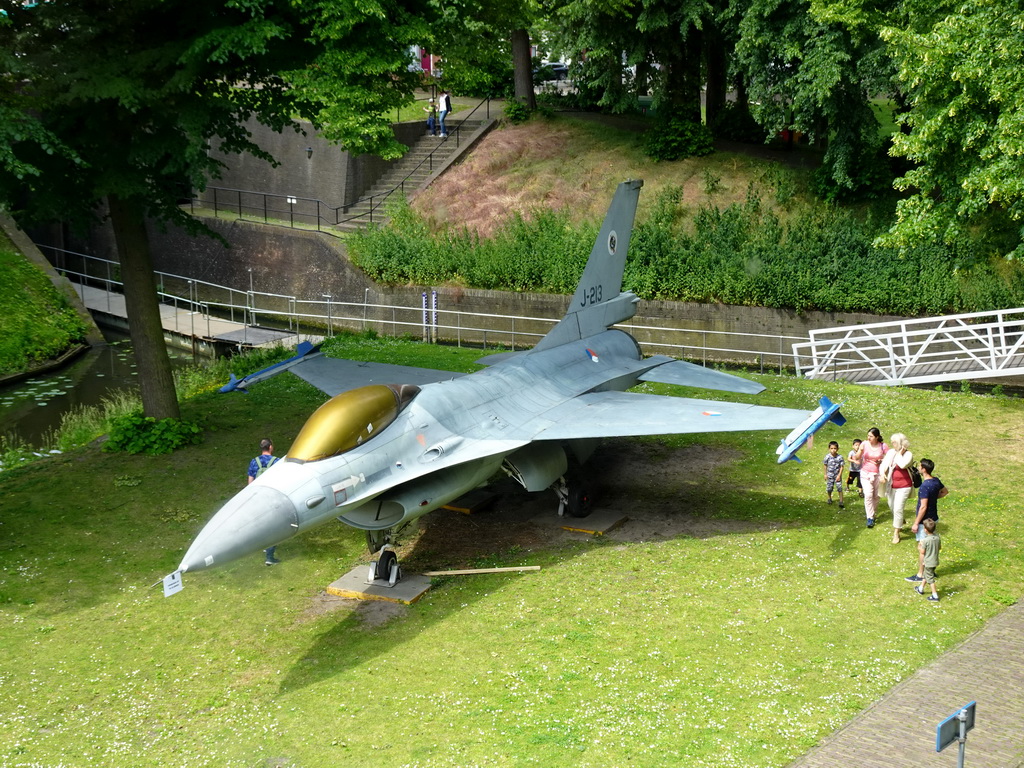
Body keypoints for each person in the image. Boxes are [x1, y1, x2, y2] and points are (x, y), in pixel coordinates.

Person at [906, 458, 948, 585]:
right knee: (931, 547)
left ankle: (920, 574)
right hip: (934, 518)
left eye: (920, 467)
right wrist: (934, 498)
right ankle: (931, 571)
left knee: (923, 548)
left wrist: (915, 523)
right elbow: (945, 491)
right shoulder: (936, 481)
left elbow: (923, 507)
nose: (918, 468)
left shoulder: (924, 486)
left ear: (924, 469)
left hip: (924, 521)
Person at [247, 438, 281, 565]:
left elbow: (250, 482)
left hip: (257, 498)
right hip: (272, 498)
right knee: (274, 527)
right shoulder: (277, 462)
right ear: (271, 447)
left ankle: (263, 545)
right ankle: (270, 557)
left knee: (261, 523)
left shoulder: (254, 462)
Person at [880, 432, 914, 544]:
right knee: (891, 506)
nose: (892, 444)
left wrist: (900, 453)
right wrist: (882, 474)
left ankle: (896, 533)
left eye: (894, 442)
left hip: (905, 486)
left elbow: (903, 464)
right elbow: (884, 464)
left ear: (900, 443)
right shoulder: (890, 452)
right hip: (891, 485)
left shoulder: (908, 455)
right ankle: (900, 519)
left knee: (898, 508)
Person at [853, 428, 888, 528]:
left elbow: (890, 456)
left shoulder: (883, 446)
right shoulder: (864, 444)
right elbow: (857, 457)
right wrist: (860, 449)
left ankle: (873, 514)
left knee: (876, 496)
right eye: (868, 435)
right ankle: (870, 518)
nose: (868, 438)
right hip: (865, 473)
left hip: (878, 474)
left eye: (871, 436)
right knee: (868, 494)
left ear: (877, 437)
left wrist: (881, 460)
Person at [912, 518, 941, 602]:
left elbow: (922, 551)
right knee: (927, 575)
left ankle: (935, 595)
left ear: (925, 530)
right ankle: (920, 589)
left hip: (928, 562)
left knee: (930, 579)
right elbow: (939, 548)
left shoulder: (925, 540)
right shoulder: (937, 538)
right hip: (935, 561)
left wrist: (919, 546)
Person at [823, 440, 845, 508]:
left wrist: (839, 475)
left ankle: (841, 501)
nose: (833, 450)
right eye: (831, 448)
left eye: (835, 448)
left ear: (837, 449)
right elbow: (825, 465)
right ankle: (829, 498)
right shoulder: (827, 457)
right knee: (829, 488)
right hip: (830, 475)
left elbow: (842, 467)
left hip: (837, 476)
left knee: (839, 488)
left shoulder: (840, 457)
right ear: (829, 449)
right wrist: (825, 474)